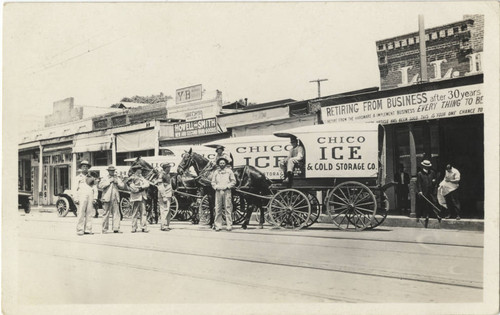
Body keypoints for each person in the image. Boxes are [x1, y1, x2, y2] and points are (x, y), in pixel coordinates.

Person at [211, 157, 236, 231]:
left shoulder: (229, 171)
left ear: (225, 164)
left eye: (223, 163)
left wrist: (227, 186)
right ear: (218, 164)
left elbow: (233, 181)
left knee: (228, 208)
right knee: (218, 209)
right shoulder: (216, 172)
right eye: (220, 163)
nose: (222, 164)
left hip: (227, 191)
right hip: (218, 192)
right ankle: (218, 225)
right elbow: (213, 182)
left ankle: (229, 225)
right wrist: (216, 187)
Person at [73, 160, 98, 235]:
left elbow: (95, 188)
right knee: (81, 212)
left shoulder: (91, 177)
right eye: (83, 166)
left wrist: (95, 198)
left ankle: (88, 229)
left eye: (86, 166)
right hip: (81, 195)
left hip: (90, 195)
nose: (85, 168)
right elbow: (74, 188)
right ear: (81, 168)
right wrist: (75, 198)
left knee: (89, 213)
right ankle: (80, 229)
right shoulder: (78, 177)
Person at [98, 165, 125, 233]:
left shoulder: (117, 178)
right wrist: (109, 181)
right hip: (106, 197)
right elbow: (100, 186)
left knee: (116, 213)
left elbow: (122, 186)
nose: (112, 172)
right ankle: (104, 229)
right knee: (105, 213)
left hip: (115, 197)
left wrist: (117, 182)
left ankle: (116, 228)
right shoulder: (105, 178)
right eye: (111, 171)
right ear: (108, 171)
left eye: (113, 171)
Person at [127, 164, 150, 233]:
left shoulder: (142, 177)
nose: (141, 170)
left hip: (142, 196)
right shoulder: (132, 178)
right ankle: (134, 227)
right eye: (139, 169)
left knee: (143, 213)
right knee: (134, 213)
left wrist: (141, 187)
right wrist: (138, 188)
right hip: (136, 197)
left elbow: (147, 184)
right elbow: (132, 187)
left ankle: (144, 227)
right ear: (136, 170)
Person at [417, 160, 437, 228]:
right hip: (424, 191)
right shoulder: (420, 173)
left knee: (433, 202)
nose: (427, 168)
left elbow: (434, 179)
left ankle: (434, 214)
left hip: (431, 190)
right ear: (423, 166)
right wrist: (420, 191)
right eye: (426, 166)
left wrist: (434, 181)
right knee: (425, 203)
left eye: (428, 166)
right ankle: (426, 215)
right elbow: (419, 183)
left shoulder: (432, 172)